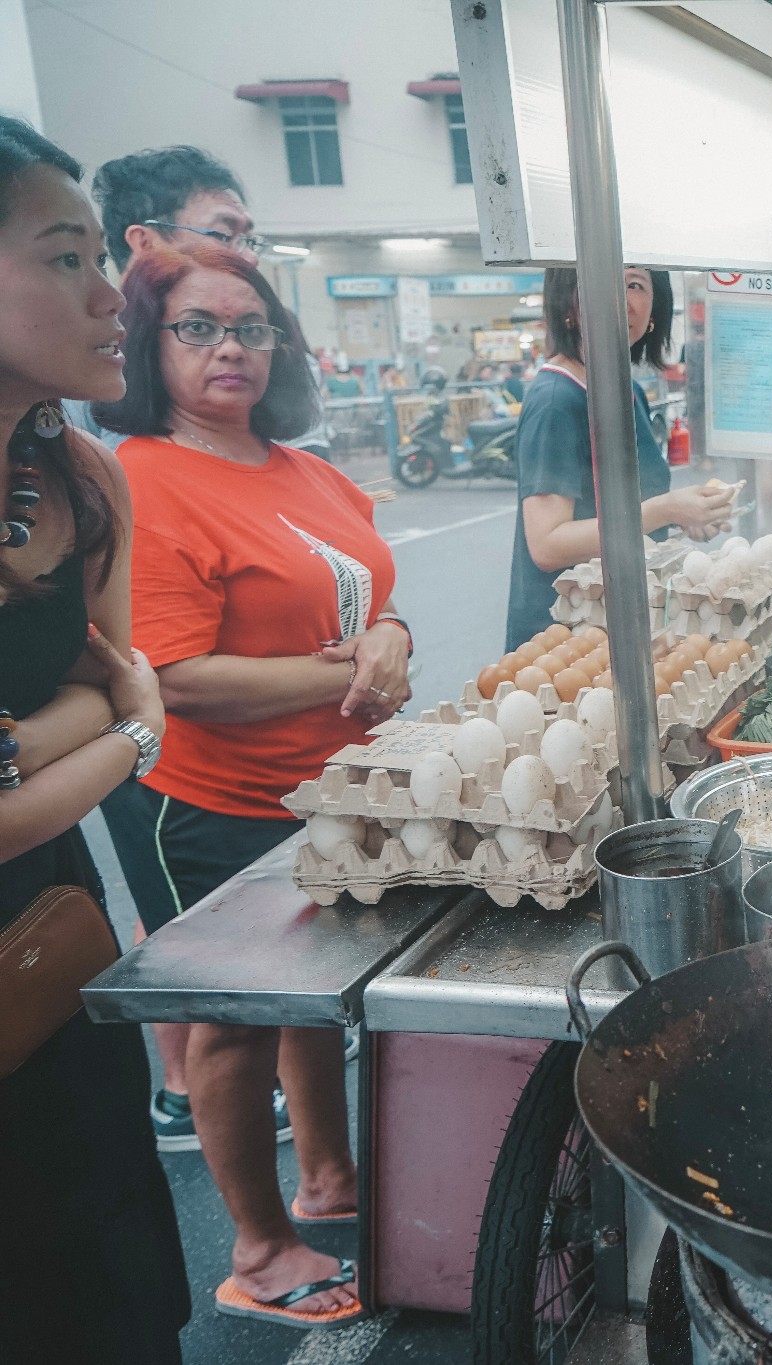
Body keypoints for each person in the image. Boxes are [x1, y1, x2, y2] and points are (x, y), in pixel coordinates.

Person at [94, 244, 406, 1330]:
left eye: (253, 326)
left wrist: (392, 638)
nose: (231, 346)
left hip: (325, 790)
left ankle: (329, 1179)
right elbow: (177, 679)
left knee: (309, 991)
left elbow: (368, 593)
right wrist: (348, 666)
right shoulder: (144, 475)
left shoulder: (300, 467)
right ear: (148, 341)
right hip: (216, 799)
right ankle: (261, 1248)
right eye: (198, 326)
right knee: (230, 1022)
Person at [0, 114, 190, 1365]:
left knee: (106, 1293)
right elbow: (130, 699)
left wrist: (87, 723)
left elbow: (118, 672)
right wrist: (124, 736)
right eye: (65, 257)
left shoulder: (80, 478)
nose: (112, 294)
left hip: (50, 950)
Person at [508, 265, 733, 647]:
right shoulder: (555, 401)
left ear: (654, 308)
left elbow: (627, 511)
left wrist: (686, 517)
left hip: (626, 623)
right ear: (569, 305)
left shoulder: (626, 392)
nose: (620, 300)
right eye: (604, 280)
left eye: (634, 285)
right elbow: (547, 544)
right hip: (568, 641)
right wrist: (666, 510)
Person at [83, 145, 333, 460]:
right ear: (145, 243)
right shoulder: (75, 376)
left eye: (248, 239)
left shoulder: (273, 352)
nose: (249, 257)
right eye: (223, 235)